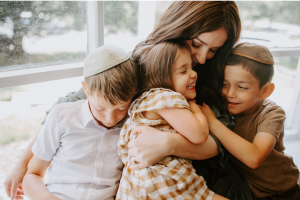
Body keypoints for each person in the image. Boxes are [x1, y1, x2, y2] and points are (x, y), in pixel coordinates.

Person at [4, 0, 246, 199]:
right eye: (197, 44)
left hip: (194, 178)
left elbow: (220, 141)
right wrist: (22, 165)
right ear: (178, 28)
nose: (202, 58)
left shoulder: (207, 77)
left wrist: (168, 144)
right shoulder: (144, 64)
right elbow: (71, 105)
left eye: (214, 50)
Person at [22, 44, 139, 200]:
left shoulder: (133, 123)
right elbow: (33, 175)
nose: (111, 118)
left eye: (121, 108)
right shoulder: (62, 117)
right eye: (100, 108)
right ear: (85, 89)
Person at [117, 41, 228, 200]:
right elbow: (199, 134)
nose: (193, 74)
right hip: (163, 182)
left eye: (191, 67)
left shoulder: (143, 103)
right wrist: (194, 106)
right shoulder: (165, 98)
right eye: (183, 71)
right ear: (161, 77)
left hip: (139, 185)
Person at [200, 42, 300, 200]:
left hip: (280, 190)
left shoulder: (272, 114)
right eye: (224, 84)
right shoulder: (222, 106)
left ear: (265, 90)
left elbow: (254, 158)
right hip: (249, 188)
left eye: (242, 87)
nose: (230, 93)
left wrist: (213, 122)